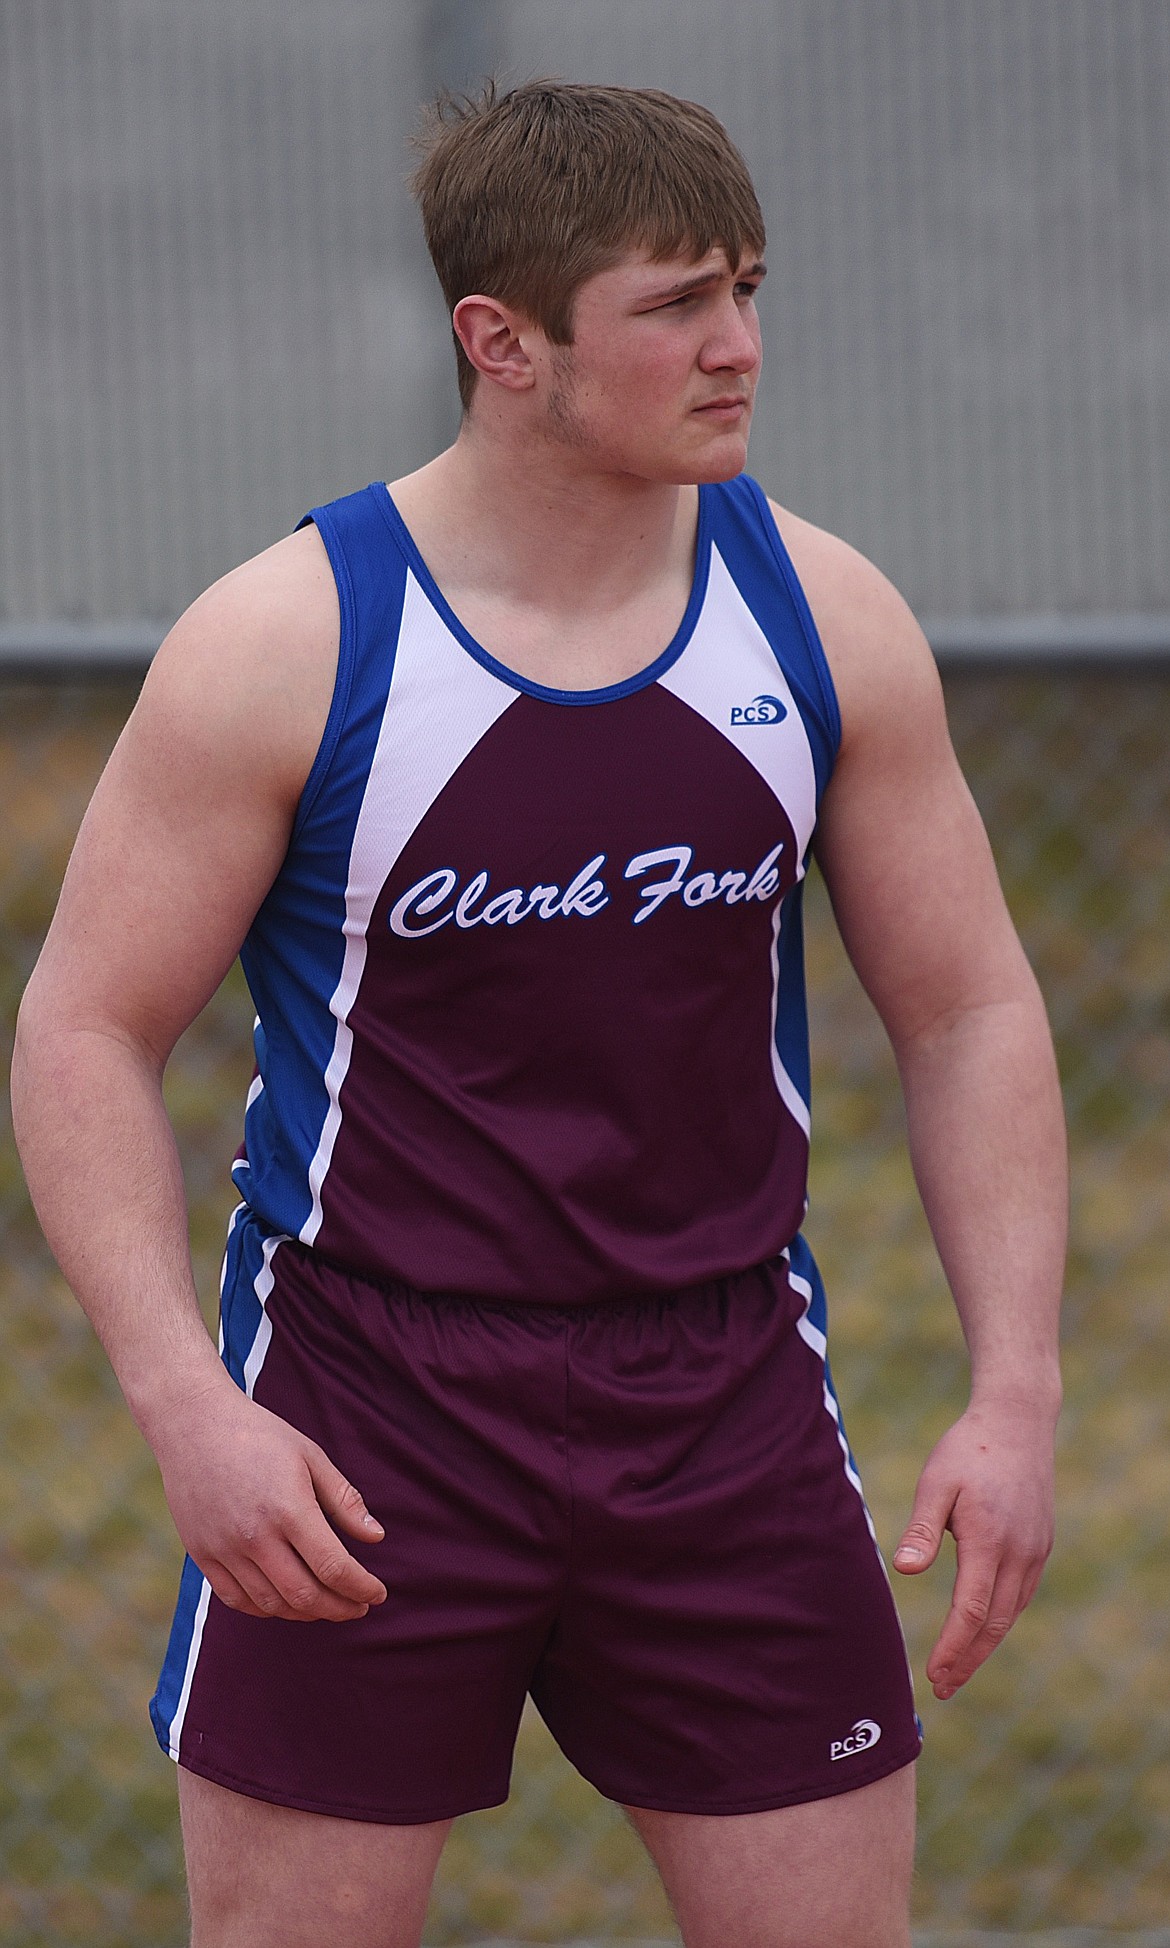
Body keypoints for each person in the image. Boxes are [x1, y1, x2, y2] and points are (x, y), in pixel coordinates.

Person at [11, 80, 1065, 1948]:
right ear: (500, 343)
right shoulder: (289, 643)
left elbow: (970, 1007)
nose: (736, 347)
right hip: (363, 1404)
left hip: (722, 1386)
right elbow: (83, 1030)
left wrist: (1014, 1385)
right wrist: (188, 1406)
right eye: (672, 306)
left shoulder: (820, 619)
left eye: (746, 288)